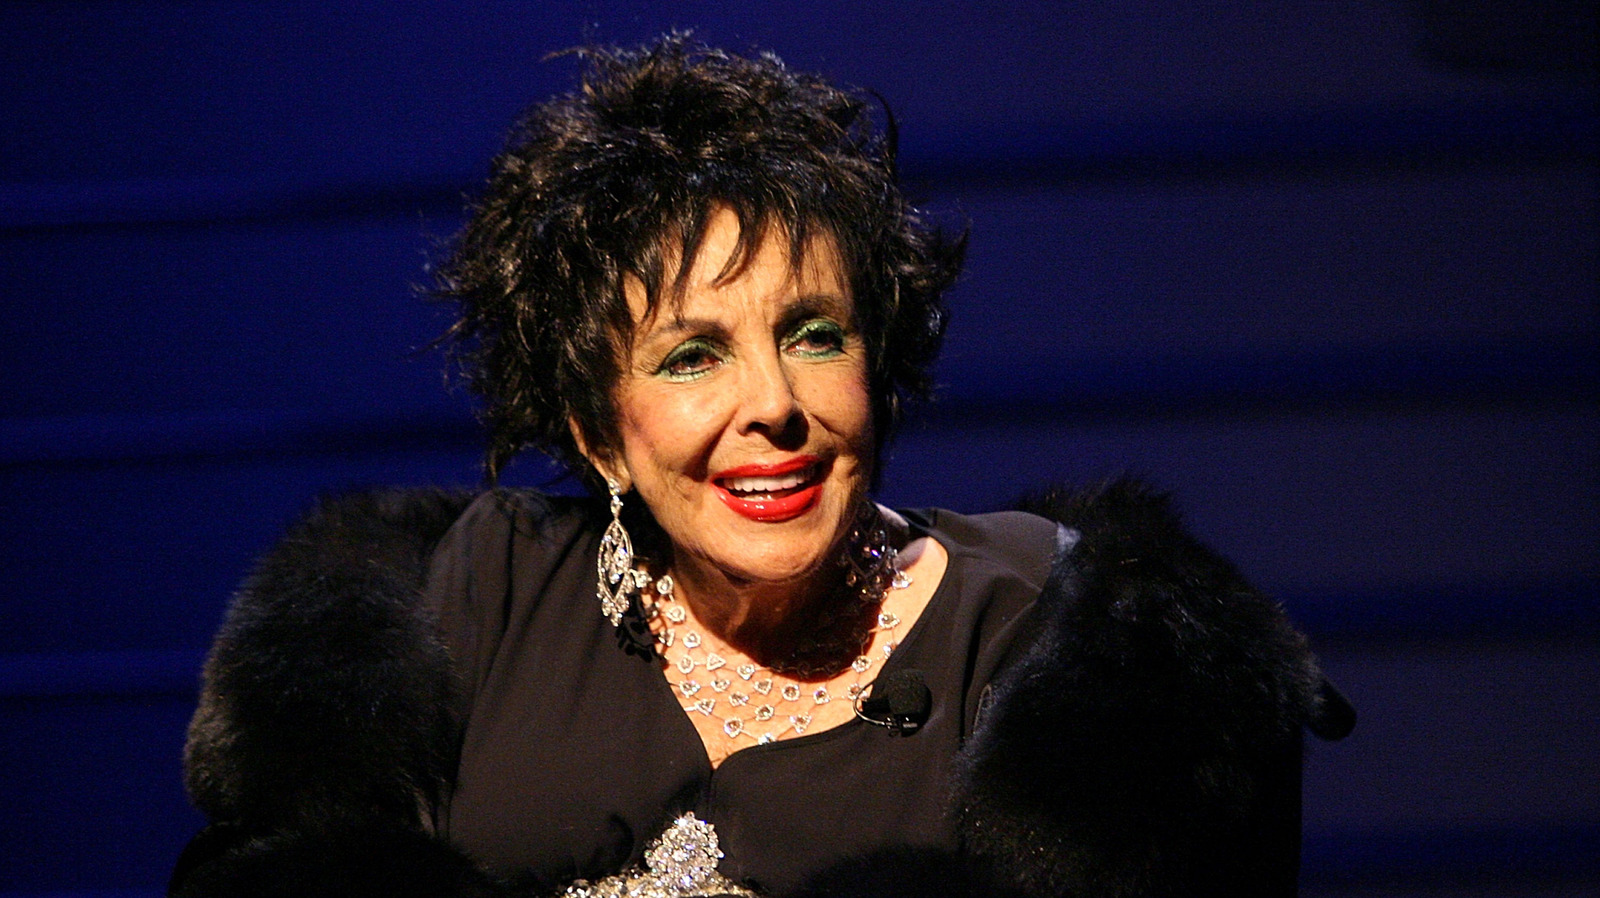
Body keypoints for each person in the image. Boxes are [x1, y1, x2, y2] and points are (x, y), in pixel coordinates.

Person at [169, 36, 1351, 898]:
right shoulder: (472, 599)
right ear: (598, 433)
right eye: (693, 354)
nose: (774, 405)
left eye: (814, 335)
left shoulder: (1040, 631)